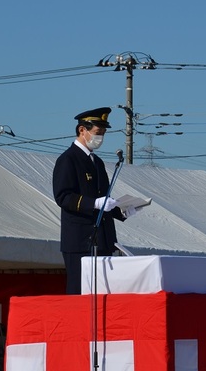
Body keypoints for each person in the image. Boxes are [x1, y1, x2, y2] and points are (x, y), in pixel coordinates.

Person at [52, 107, 136, 294]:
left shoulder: (96, 162)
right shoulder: (68, 159)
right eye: (98, 133)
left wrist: (121, 211)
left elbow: (104, 197)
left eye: (103, 133)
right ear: (82, 130)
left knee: (103, 292)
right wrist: (94, 203)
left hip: (103, 241)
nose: (101, 138)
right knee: (80, 293)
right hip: (80, 240)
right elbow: (63, 196)